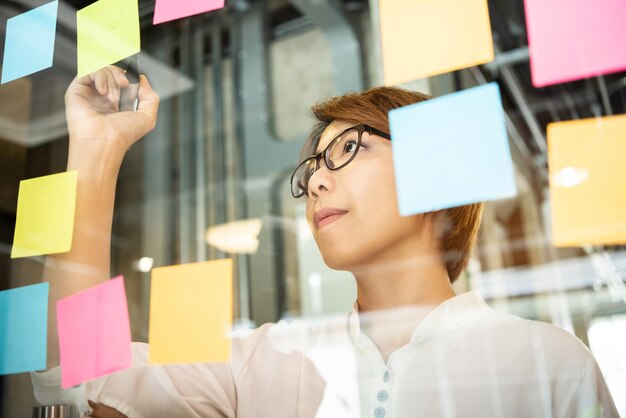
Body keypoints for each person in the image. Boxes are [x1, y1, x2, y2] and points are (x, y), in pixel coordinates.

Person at [31, 66, 619, 418]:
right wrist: (96, 150)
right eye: (312, 165)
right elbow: (79, 372)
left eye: (347, 149)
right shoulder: (267, 359)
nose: (315, 179)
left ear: (435, 174)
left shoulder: (549, 365)